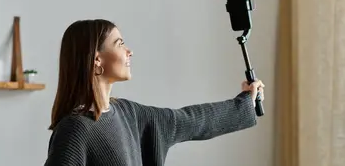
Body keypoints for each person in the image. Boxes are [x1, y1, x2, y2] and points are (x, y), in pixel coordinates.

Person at [44, 19, 264, 166]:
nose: (129, 51)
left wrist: (245, 102)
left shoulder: (128, 113)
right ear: (97, 59)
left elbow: (191, 120)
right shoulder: (75, 130)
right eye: (119, 44)